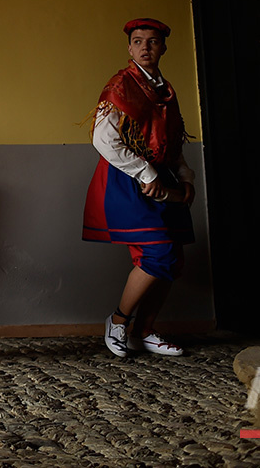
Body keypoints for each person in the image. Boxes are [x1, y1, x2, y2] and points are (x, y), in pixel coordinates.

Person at [83, 18, 195, 358]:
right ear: (130, 48)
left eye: (152, 41)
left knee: (172, 258)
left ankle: (145, 331)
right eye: (138, 40)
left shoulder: (165, 90)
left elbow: (170, 140)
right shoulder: (121, 85)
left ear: (162, 47)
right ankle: (118, 321)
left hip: (161, 175)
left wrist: (185, 174)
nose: (145, 46)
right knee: (157, 252)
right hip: (128, 177)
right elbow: (103, 138)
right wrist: (145, 172)